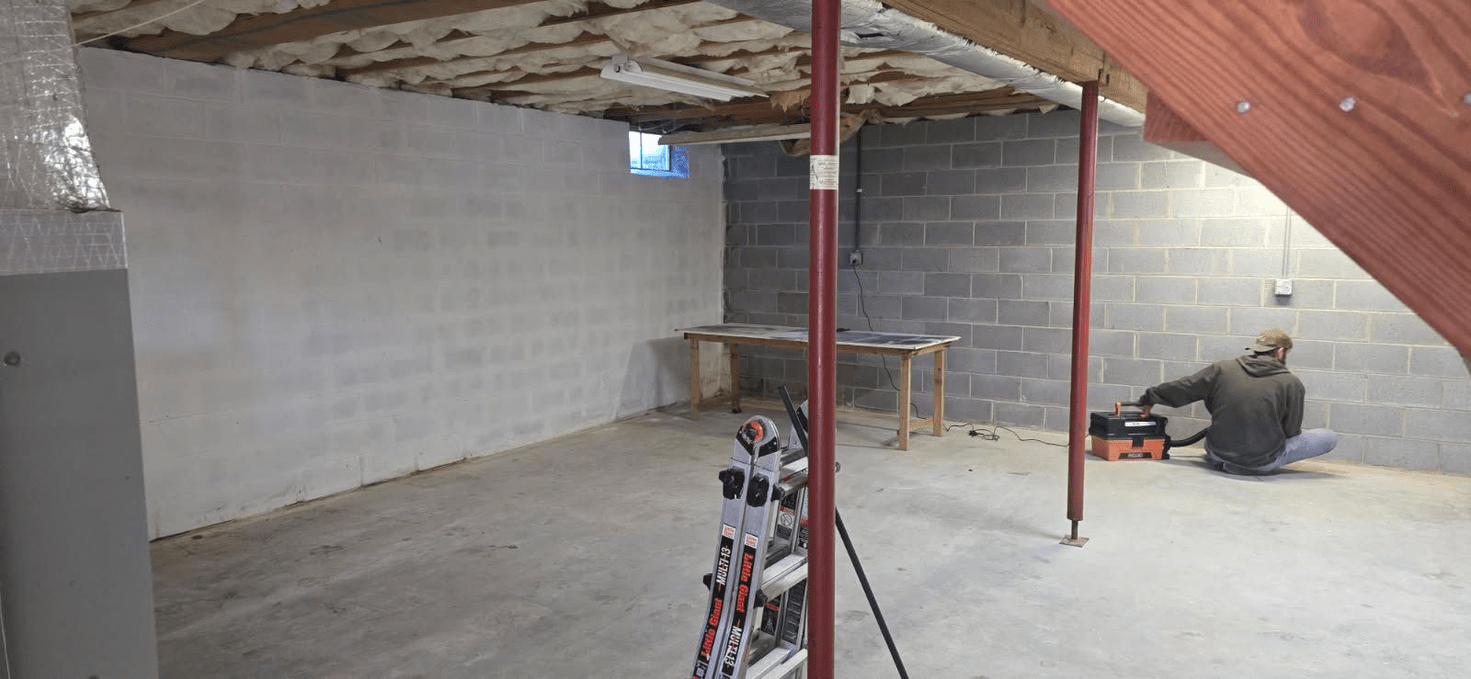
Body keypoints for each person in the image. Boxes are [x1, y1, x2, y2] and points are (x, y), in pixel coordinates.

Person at [1136, 328, 1337, 475]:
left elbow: (1183, 388)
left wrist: (1150, 397)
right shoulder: (1292, 383)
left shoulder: (1222, 369)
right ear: (1280, 352)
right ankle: (1252, 460)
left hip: (1217, 454)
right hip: (1261, 462)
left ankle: (1231, 457)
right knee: (1328, 437)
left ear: (1257, 349)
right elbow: (1292, 432)